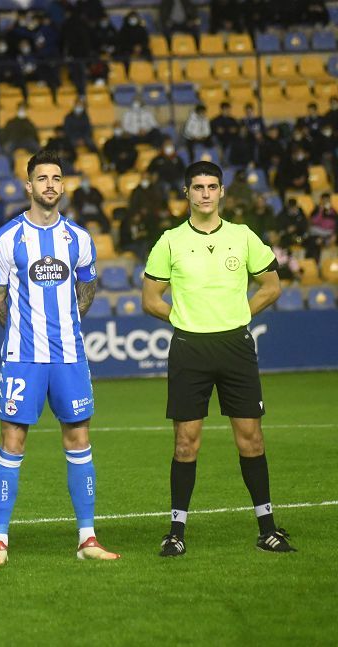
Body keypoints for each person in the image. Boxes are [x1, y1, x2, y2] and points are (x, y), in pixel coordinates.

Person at [141, 161, 294, 557]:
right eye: (198, 187)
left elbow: (272, 286)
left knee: (251, 439)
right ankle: (176, 532)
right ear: (187, 193)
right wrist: (181, 317)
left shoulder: (243, 237)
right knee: (186, 443)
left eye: (212, 186)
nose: (205, 193)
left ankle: (267, 528)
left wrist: (241, 314)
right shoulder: (170, 241)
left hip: (235, 348)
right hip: (189, 348)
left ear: (222, 192)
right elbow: (150, 298)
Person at [0, 150, 119, 566]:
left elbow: (87, 291)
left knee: (79, 440)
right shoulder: (5, 238)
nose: (50, 185)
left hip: (70, 358)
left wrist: (65, 328)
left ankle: (87, 538)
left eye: (57, 178)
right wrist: (22, 331)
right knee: (12, 442)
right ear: (29, 186)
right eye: (42, 178)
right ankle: (0, 540)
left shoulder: (78, 238)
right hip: (22, 357)